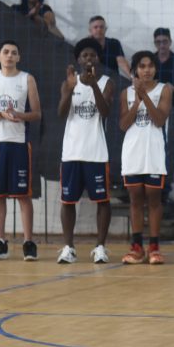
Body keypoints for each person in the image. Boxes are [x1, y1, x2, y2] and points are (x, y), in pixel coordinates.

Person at [0, 40, 43, 261]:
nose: (9, 55)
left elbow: (37, 113)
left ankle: (28, 242)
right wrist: (1, 115)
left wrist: (19, 115)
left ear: (18, 57)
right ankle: (0, 242)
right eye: (5, 52)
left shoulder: (27, 79)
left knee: (23, 195)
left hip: (18, 143)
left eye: (13, 53)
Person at [57, 38, 117, 265]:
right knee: (68, 201)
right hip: (72, 153)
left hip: (96, 152)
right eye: (84, 55)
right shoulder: (69, 82)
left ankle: (100, 247)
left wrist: (93, 86)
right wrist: (70, 89)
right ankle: (69, 248)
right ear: (78, 60)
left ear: (98, 58)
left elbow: (105, 112)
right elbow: (61, 113)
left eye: (92, 54)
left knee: (102, 201)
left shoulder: (107, 82)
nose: (89, 58)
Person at [119, 51, 173, 265]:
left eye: (150, 65)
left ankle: (154, 247)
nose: (147, 70)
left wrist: (145, 96)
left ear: (156, 68)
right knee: (135, 200)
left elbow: (159, 120)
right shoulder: (126, 93)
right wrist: (136, 101)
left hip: (154, 153)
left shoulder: (164, 89)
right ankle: (136, 247)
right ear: (135, 70)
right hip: (132, 153)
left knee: (154, 199)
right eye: (142, 66)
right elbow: (124, 125)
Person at [154, 27, 174, 202]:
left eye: (164, 41)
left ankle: (165, 186)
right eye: (158, 42)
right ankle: (154, 183)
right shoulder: (150, 61)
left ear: (170, 42)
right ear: (154, 43)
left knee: (169, 148)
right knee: (153, 146)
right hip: (153, 110)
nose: (162, 45)